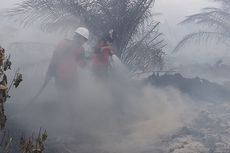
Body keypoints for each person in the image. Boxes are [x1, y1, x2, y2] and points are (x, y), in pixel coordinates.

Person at [36, 27, 89, 97]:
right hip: (62, 78)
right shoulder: (64, 45)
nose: (83, 42)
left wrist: (88, 63)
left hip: (70, 79)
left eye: (85, 40)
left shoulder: (79, 48)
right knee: (66, 98)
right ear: (78, 37)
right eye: (84, 40)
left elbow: (81, 64)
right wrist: (48, 74)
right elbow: (54, 60)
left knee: (71, 98)